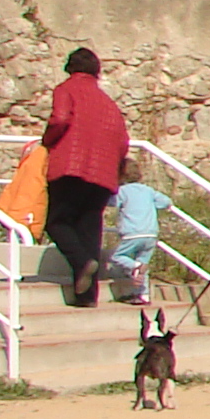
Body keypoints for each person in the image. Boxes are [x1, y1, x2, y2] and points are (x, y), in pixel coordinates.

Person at [40, 48, 128, 305]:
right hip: (102, 175)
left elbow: (59, 119)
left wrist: (47, 141)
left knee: (57, 223)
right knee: (89, 230)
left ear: (70, 68)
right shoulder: (108, 103)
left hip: (71, 166)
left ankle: (82, 263)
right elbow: (122, 142)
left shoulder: (66, 89)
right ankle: (86, 297)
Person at [106, 152, 172, 305]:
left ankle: (135, 267)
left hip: (132, 233)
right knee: (144, 261)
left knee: (117, 257)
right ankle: (143, 295)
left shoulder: (123, 191)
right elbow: (166, 201)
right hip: (150, 233)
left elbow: (112, 203)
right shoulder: (147, 190)